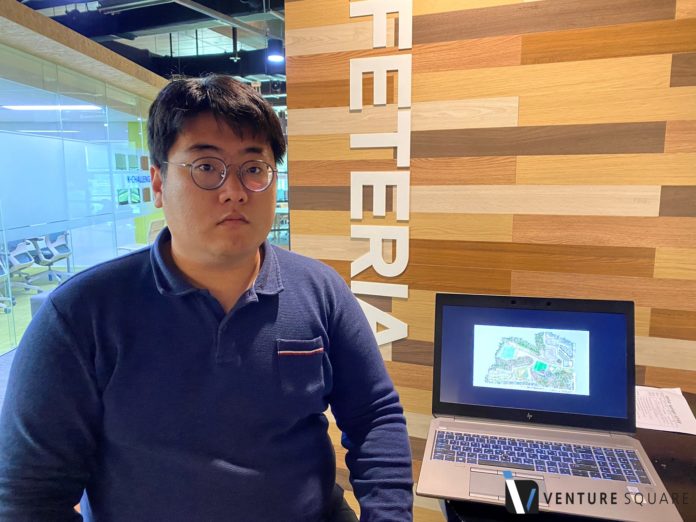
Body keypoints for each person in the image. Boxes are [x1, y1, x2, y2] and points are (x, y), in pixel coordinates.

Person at [0, 75, 413, 521]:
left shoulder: (320, 290)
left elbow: (375, 417)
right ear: (158, 183)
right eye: (206, 167)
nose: (234, 190)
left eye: (253, 168)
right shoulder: (81, 314)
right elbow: (29, 495)